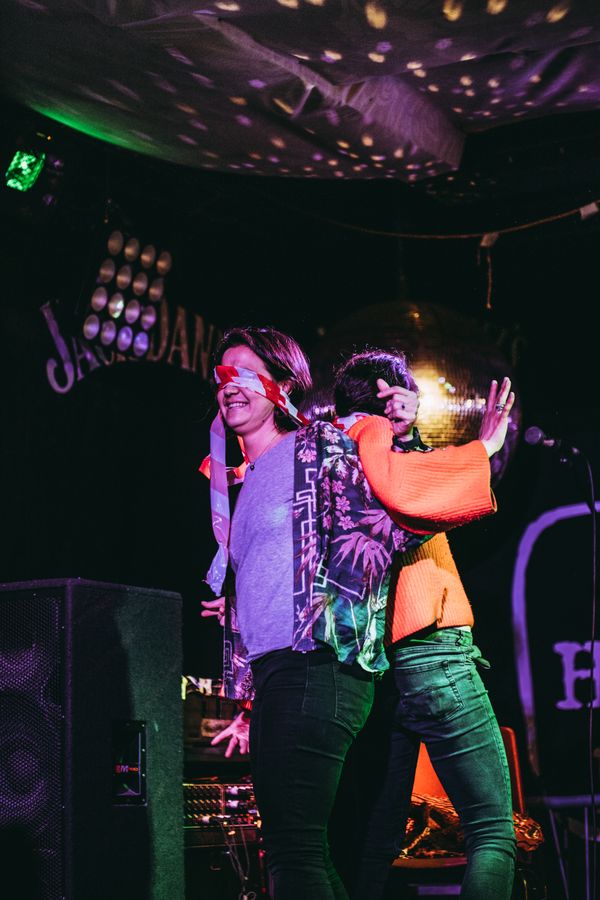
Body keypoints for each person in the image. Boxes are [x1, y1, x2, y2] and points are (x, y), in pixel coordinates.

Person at [200, 327, 511, 899]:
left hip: (359, 658)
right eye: (220, 375)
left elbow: (397, 506)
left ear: (285, 385)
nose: (228, 386)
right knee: (364, 846)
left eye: (243, 373)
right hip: (378, 659)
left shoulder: (330, 446)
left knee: (327, 849)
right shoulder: (259, 476)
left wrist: (471, 448)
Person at [332, 349, 517, 900]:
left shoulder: (330, 466)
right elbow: (419, 492)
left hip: (375, 668)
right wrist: (485, 445)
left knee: (374, 841)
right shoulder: (383, 461)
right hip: (434, 651)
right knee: (493, 832)